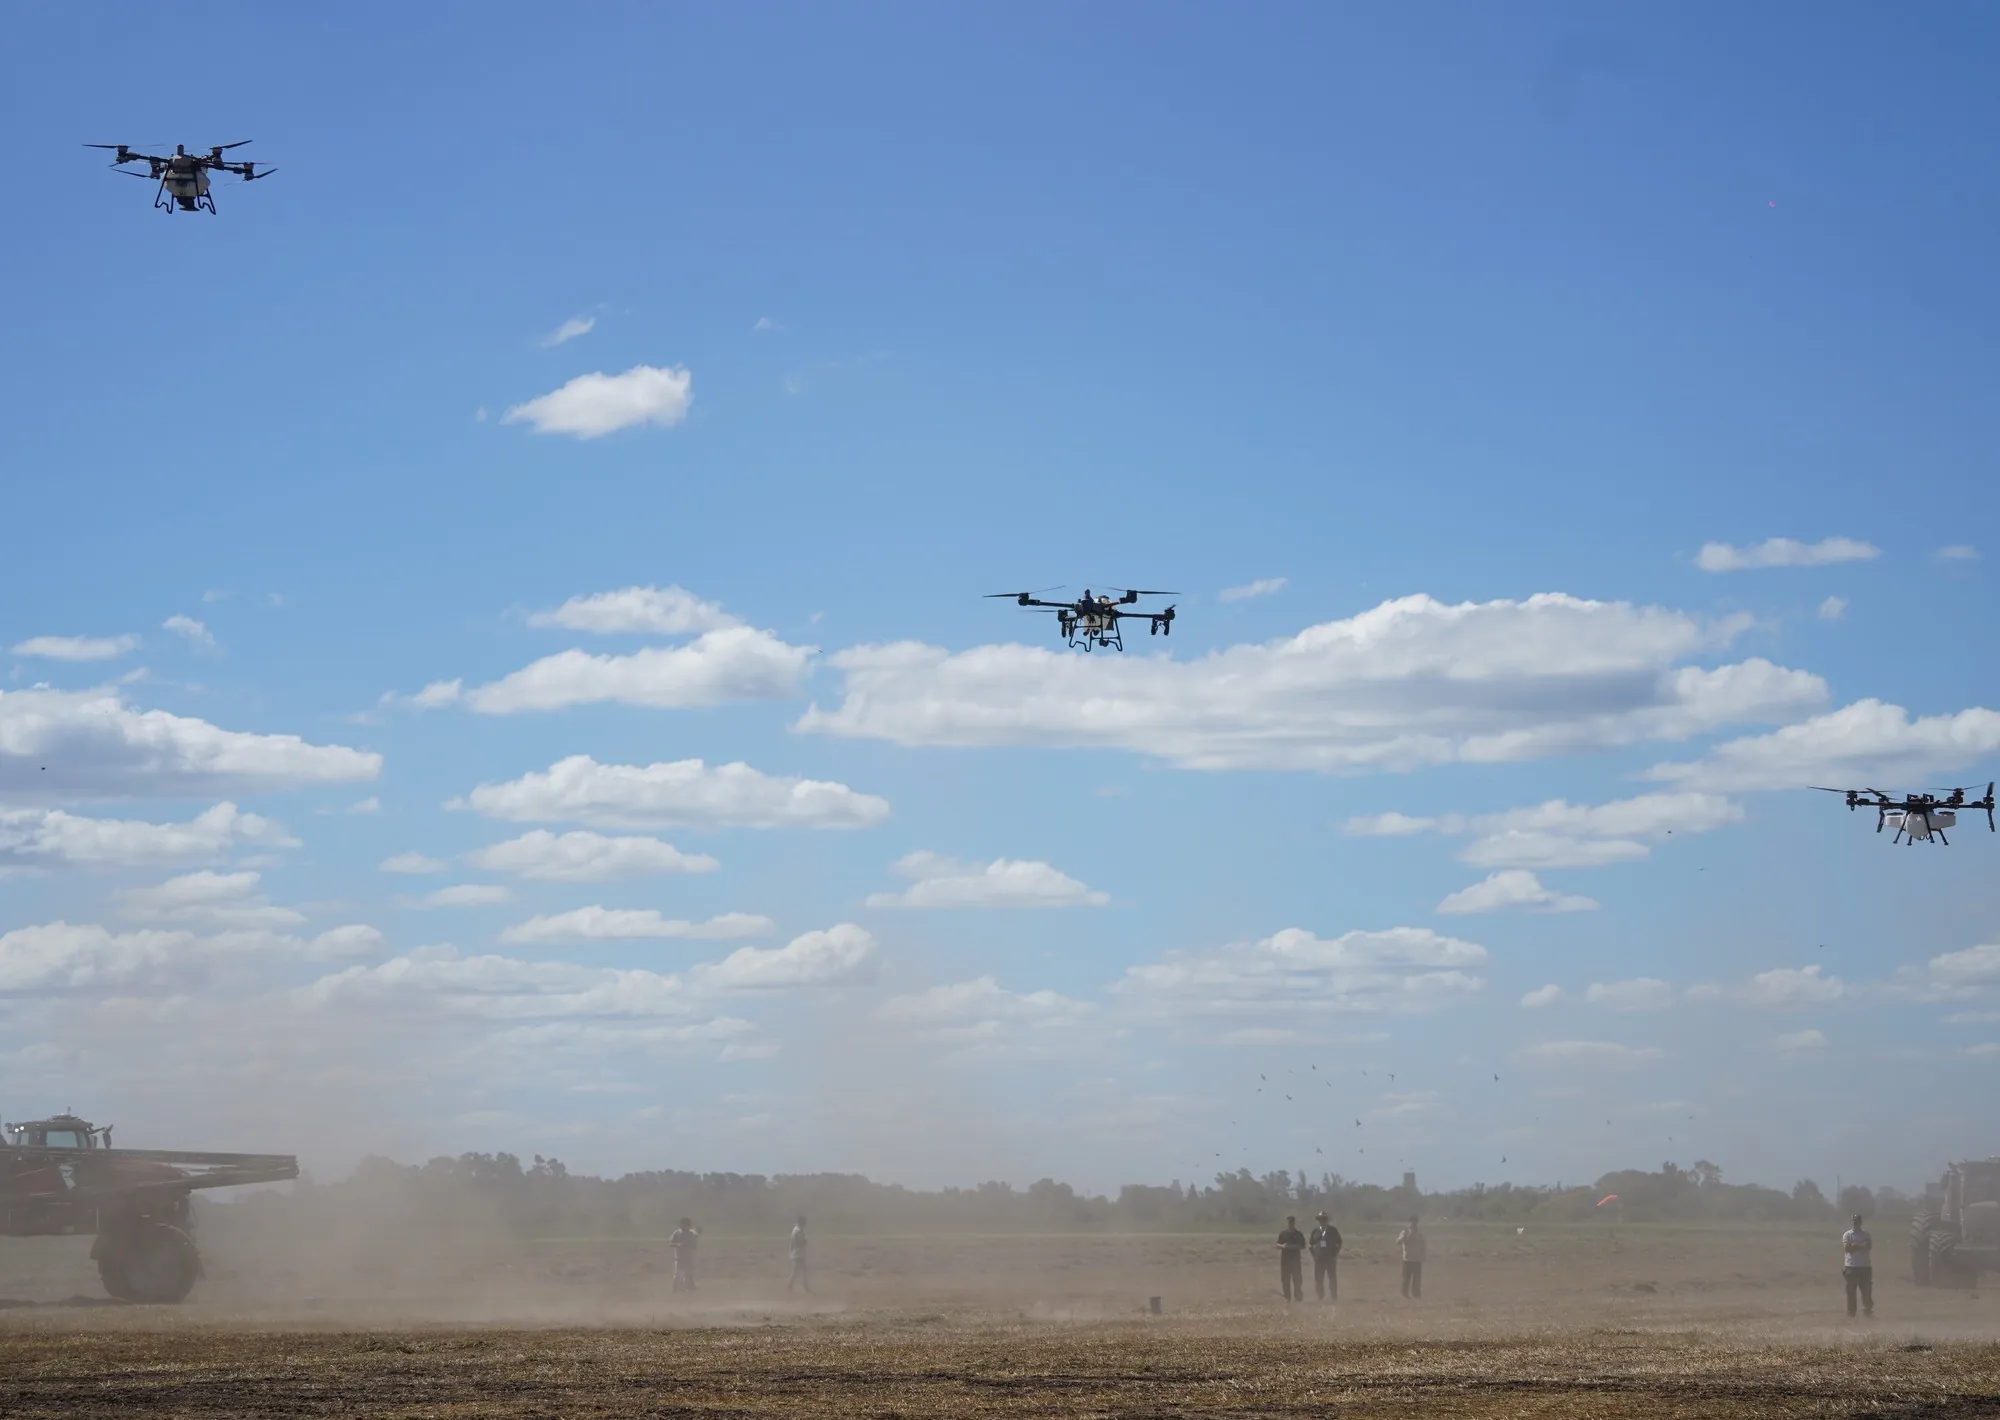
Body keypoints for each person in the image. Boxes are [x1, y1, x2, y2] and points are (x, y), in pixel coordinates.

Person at [1842, 1213, 1874, 1318]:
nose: (1855, 1223)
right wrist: (1861, 1245)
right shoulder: (1847, 1234)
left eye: (1857, 1221)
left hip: (1864, 1266)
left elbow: (1868, 1246)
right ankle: (1851, 1314)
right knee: (1851, 1291)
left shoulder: (1866, 1234)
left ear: (1860, 1222)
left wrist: (1854, 1246)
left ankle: (1868, 1311)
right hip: (1851, 1266)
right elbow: (1847, 1248)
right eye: (1854, 1221)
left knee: (1866, 1291)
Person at [1309, 1211, 1343, 1303]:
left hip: (1330, 1258)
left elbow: (1339, 1242)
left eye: (1324, 1219)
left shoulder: (1333, 1230)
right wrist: (1314, 1255)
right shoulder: (1315, 1231)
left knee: (1332, 1278)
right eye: (1320, 1219)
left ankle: (1333, 1296)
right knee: (1319, 1278)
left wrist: (1335, 1254)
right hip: (1319, 1259)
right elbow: (1310, 1244)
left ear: (1327, 1220)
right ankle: (1320, 1296)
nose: (1322, 1221)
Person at [1276, 1215, 1307, 1302]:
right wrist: (1283, 1246)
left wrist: (1294, 1246)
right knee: (1285, 1281)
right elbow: (1277, 1244)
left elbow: (1303, 1246)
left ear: (1294, 1223)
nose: (1290, 1224)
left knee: (1297, 1281)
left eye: (1292, 1222)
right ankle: (1287, 1298)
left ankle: (1298, 1297)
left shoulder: (1298, 1234)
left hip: (1295, 1261)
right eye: (1289, 1222)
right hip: (1285, 1261)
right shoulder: (1283, 1234)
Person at [1397, 1215, 1426, 1299]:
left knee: (1417, 1278)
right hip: (1407, 1259)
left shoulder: (1420, 1234)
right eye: (1411, 1222)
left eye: (1415, 1222)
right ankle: (1405, 1293)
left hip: (1417, 1259)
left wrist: (1423, 1255)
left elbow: (1423, 1245)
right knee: (1406, 1278)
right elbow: (1398, 1242)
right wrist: (1403, 1237)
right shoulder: (1404, 1232)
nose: (1413, 1224)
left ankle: (1416, 1294)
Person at [669, 1216, 701, 1292]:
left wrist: (688, 1246)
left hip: (688, 1258)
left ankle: (688, 1288)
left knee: (688, 1274)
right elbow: (670, 1243)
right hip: (679, 1258)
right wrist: (678, 1245)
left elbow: (694, 1246)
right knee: (678, 1274)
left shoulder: (691, 1234)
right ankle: (675, 1289)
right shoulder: (677, 1233)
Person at [788, 1215, 810, 1294]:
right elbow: (801, 1242)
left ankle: (803, 1286)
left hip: (796, 1253)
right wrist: (805, 1241)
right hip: (798, 1254)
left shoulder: (795, 1229)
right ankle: (791, 1286)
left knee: (798, 1271)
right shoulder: (799, 1231)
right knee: (797, 1271)